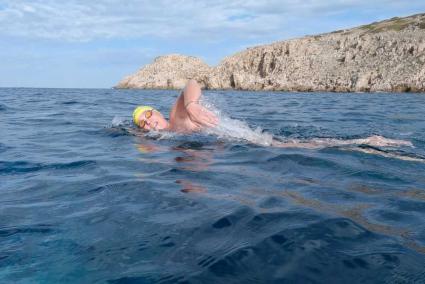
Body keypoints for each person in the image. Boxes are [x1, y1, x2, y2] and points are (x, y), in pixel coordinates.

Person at [133, 79, 218, 133]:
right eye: (142, 123)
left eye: (147, 114)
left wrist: (191, 104)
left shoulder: (175, 118)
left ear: (158, 113)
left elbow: (191, 83)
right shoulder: (162, 139)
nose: (147, 122)